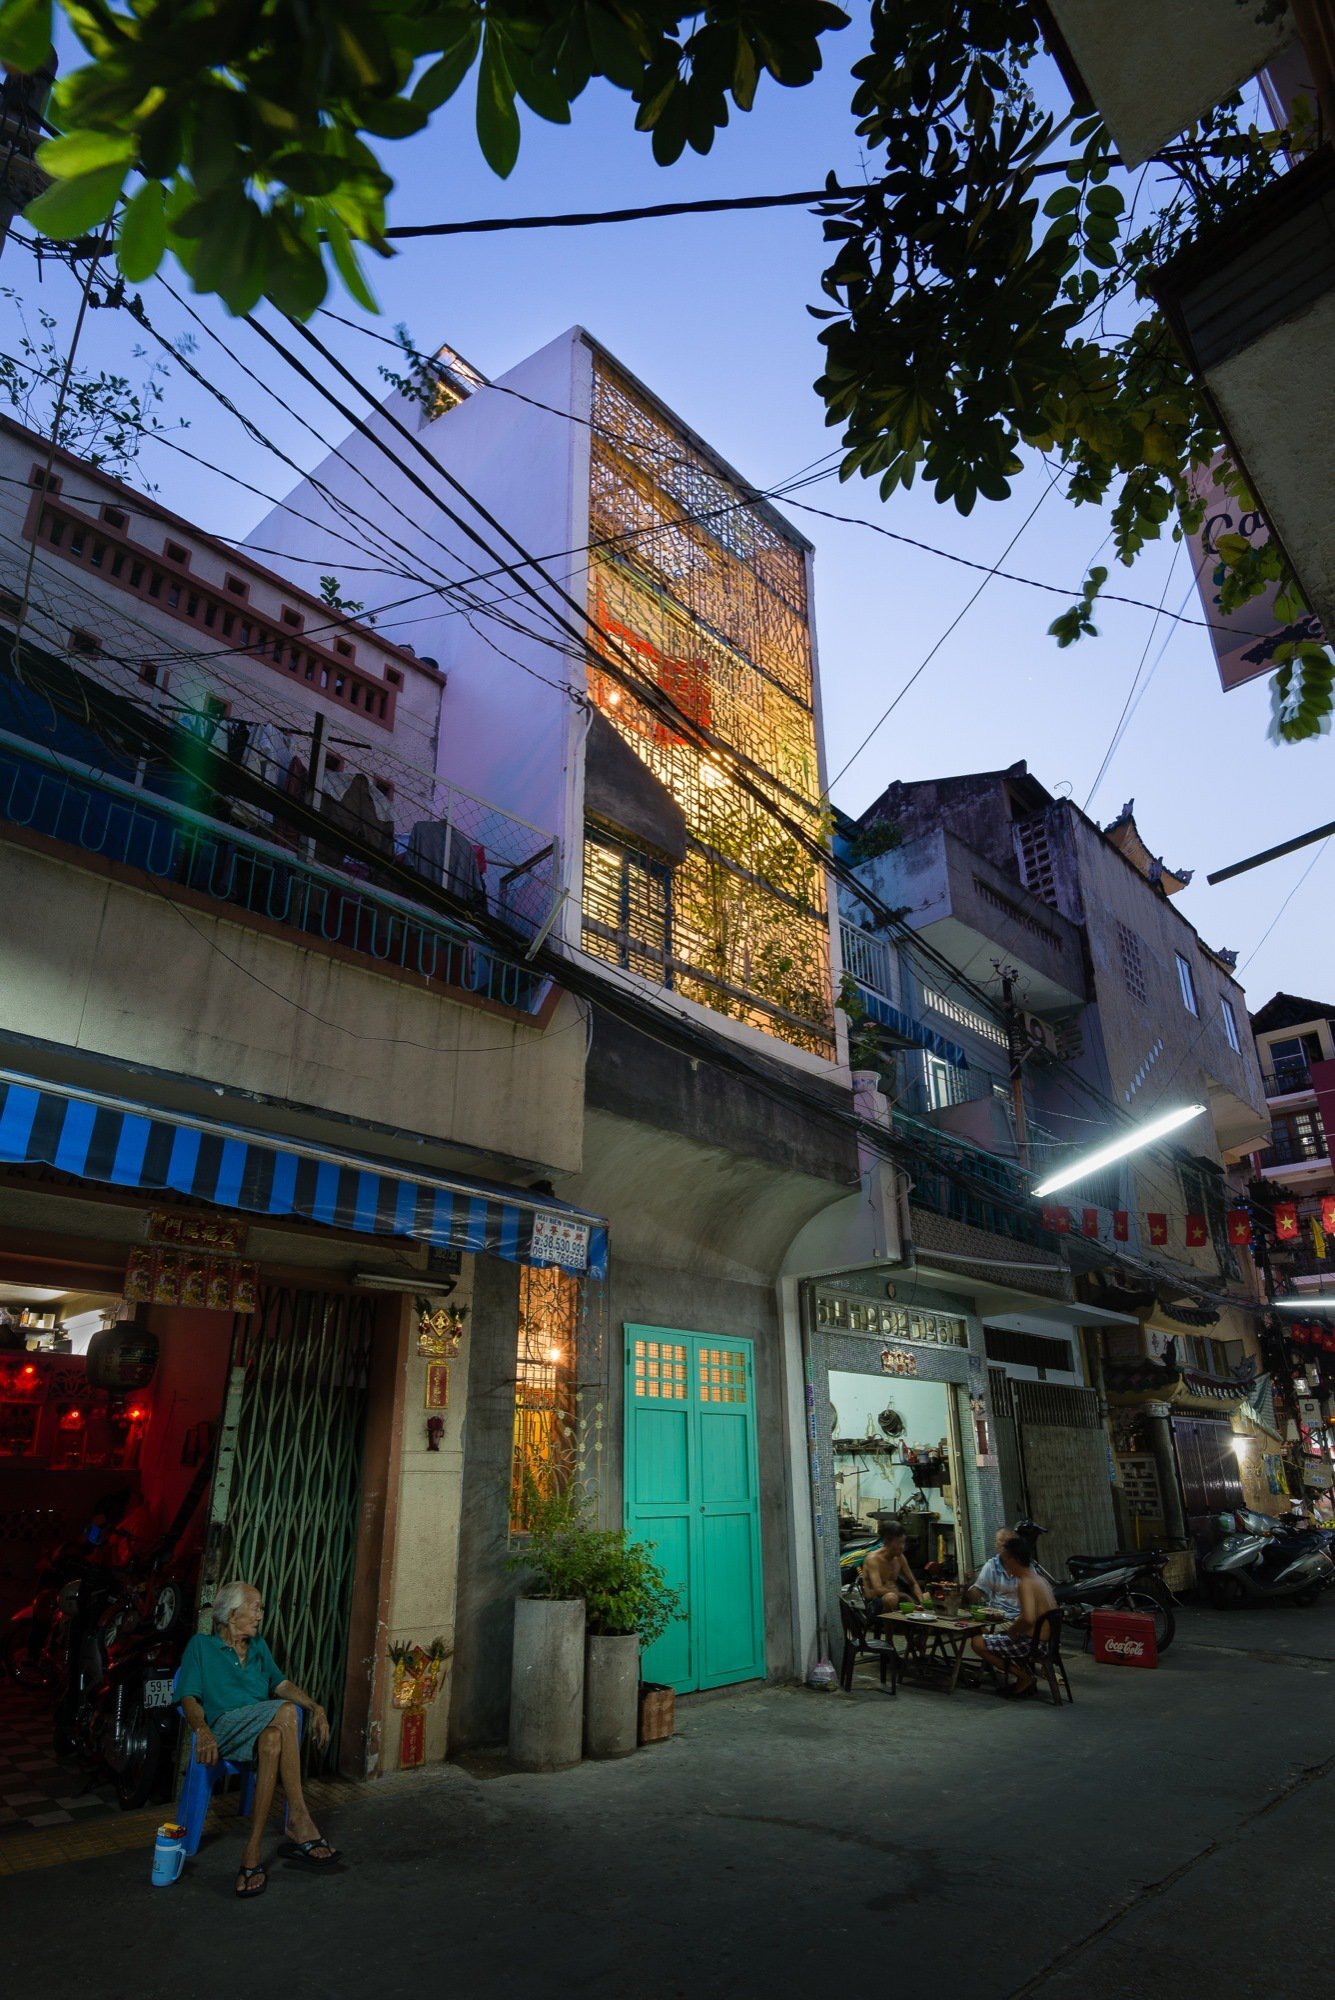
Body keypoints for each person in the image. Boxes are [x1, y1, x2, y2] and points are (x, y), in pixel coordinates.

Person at [175, 1580, 340, 1899]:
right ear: (232, 1613)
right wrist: (201, 1729)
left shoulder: (258, 1646)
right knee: (288, 1714)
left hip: (259, 1726)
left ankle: (251, 1855)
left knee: (273, 1740)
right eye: (255, 1607)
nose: (260, 1615)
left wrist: (316, 1706)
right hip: (225, 1728)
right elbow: (190, 1699)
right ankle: (299, 1818)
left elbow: (280, 1684)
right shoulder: (201, 1646)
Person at [968, 1535, 1057, 1699]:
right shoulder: (1040, 1580)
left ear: (1014, 1559)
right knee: (995, 1636)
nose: (1006, 1565)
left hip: (1031, 1644)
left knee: (977, 1642)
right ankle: (1023, 1676)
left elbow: (1028, 1618)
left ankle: (1024, 1678)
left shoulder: (1026, 1582)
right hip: (1046, 1642)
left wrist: (1013, 1630)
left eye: (1006, 1560)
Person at [967, 1525, 1034, 1620]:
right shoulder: (991, 1566)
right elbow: (977, 1592)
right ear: (996, 1545)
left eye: (1009, 1543)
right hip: (998, 1617)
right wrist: (964, 1590)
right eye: (1001, 1541)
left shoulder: (1025, 1566)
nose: (1005, 1546)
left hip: (1020, 1617)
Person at [859, 1518, 925, 1615]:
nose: (902, 1547)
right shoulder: (873, 1559)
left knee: (928, 1598)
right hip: (874, 1602)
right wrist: (905, 1596)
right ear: (888, 1542)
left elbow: (913, 1583)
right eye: (899, 1543)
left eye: (903, 1542)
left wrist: (922, 1602)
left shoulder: (900, 1558)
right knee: (891, 1598)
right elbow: (878, 1589)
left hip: (897, 1596)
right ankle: (889, 1630)